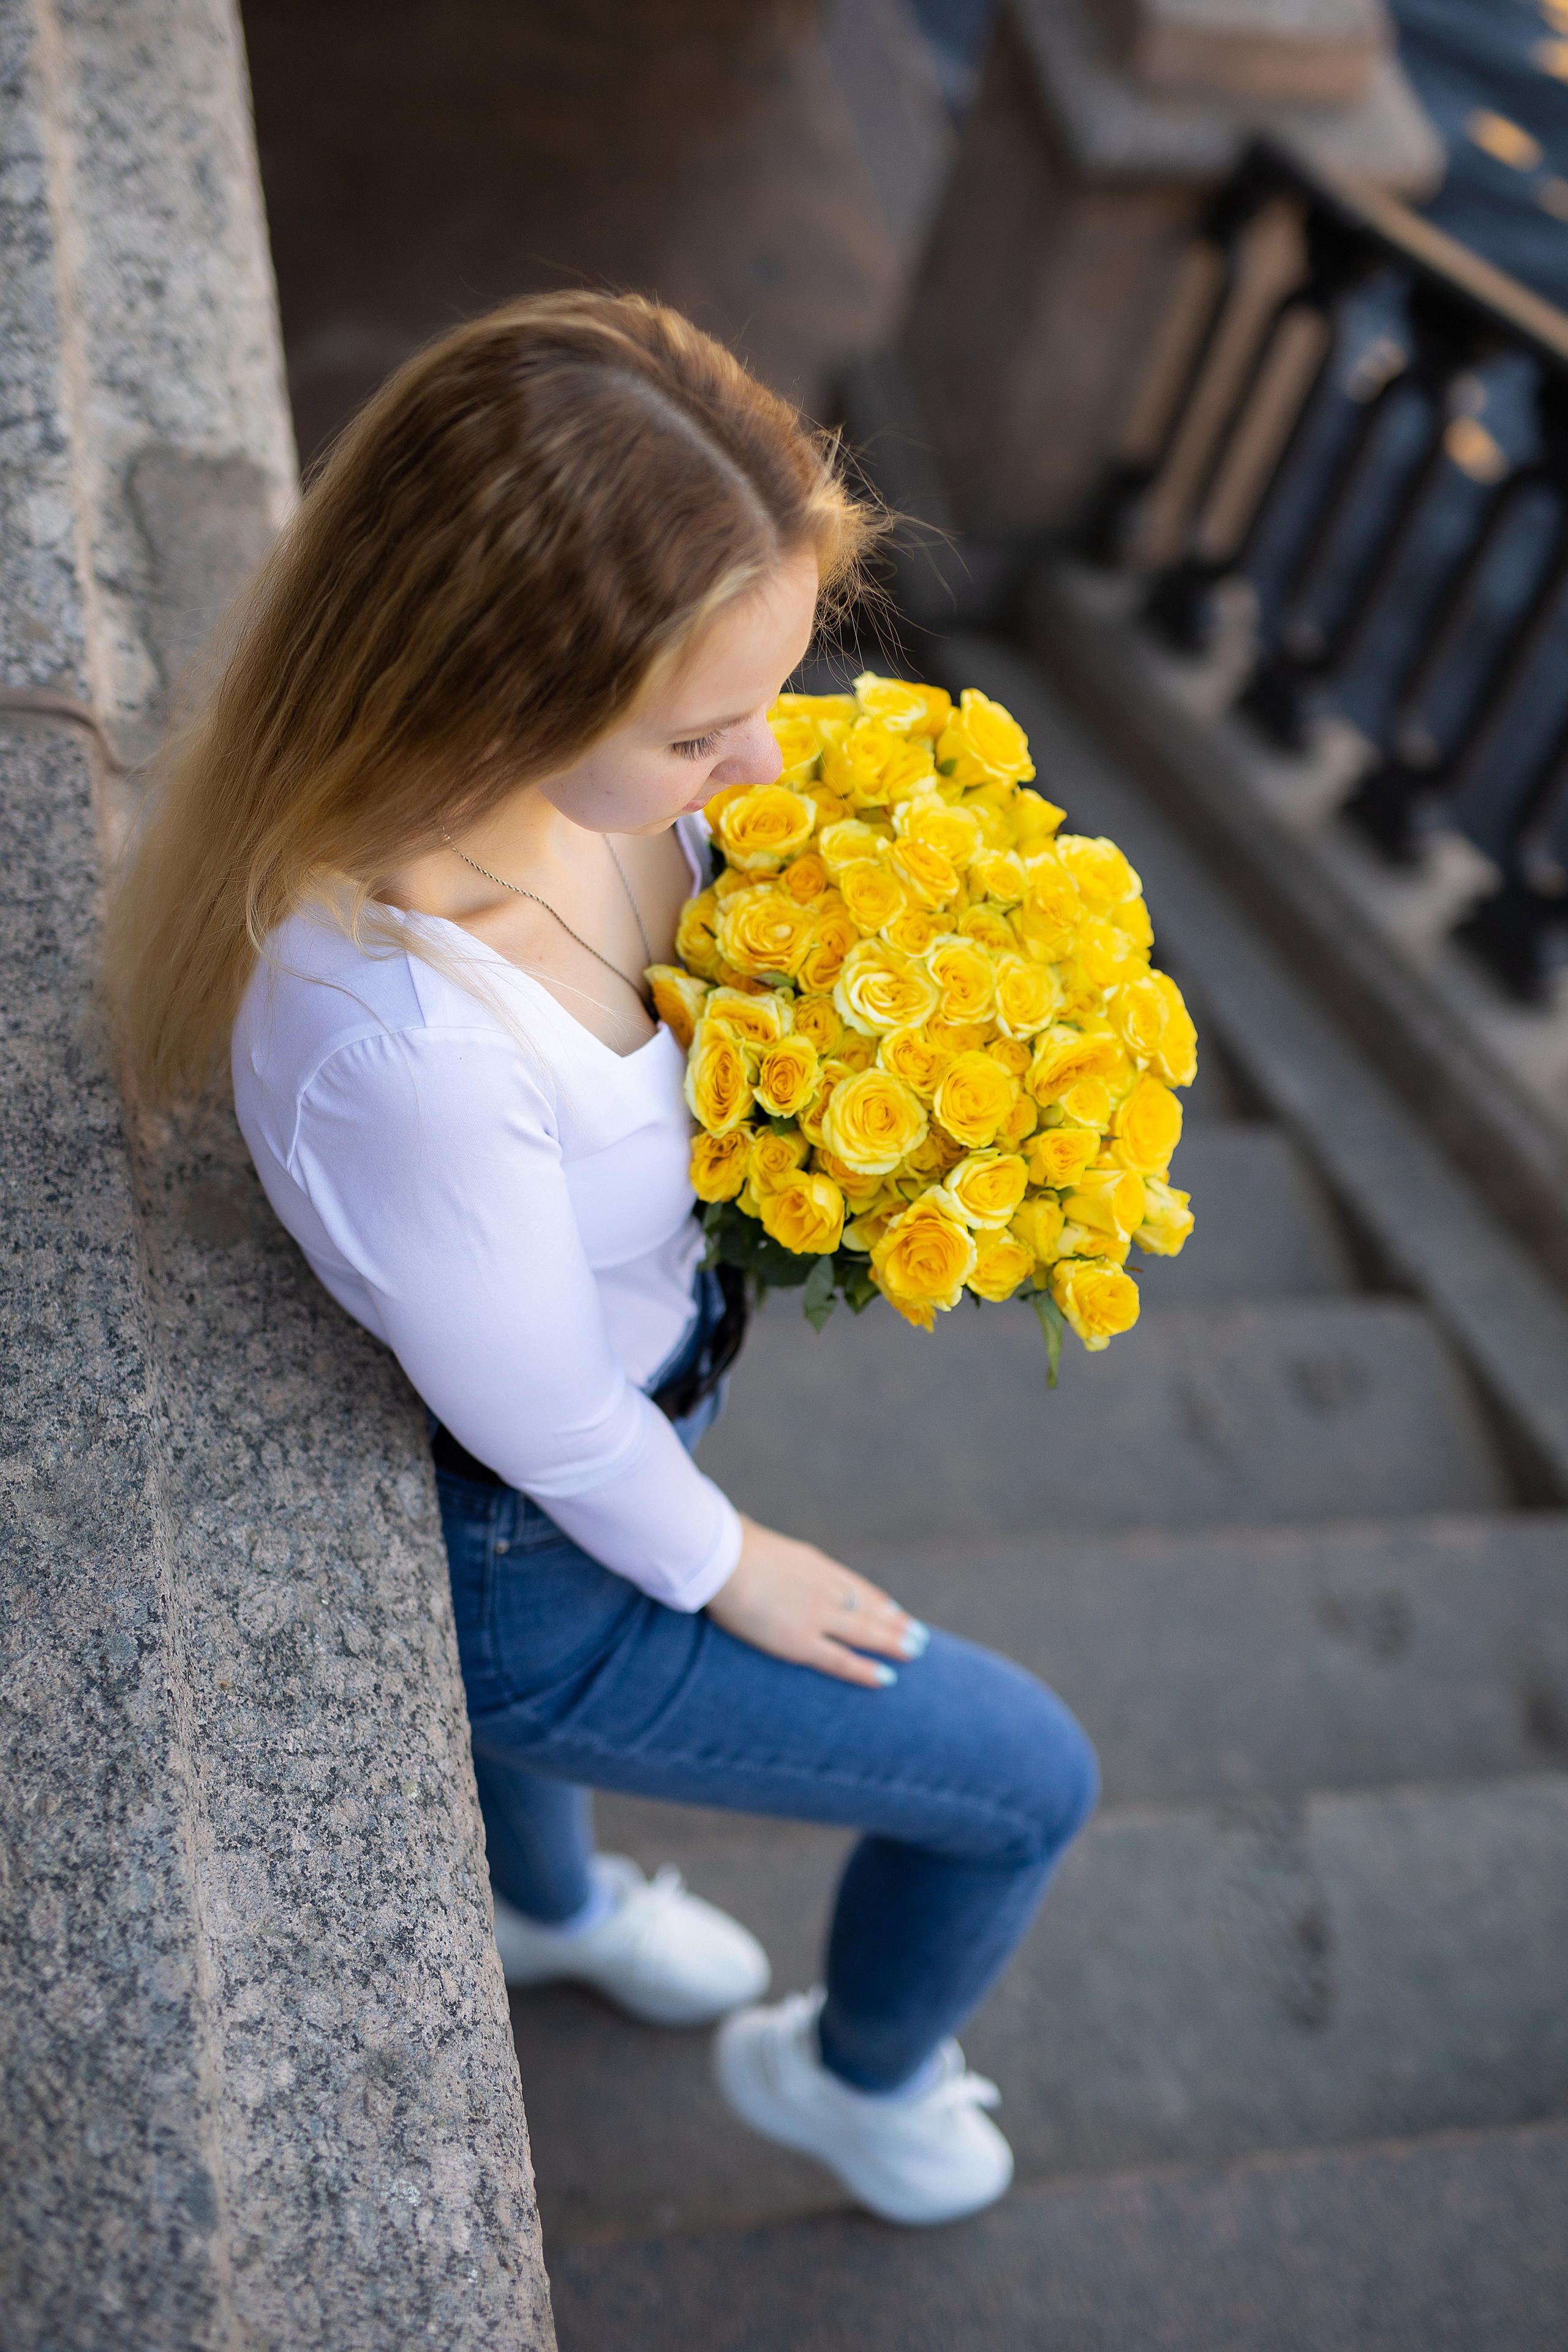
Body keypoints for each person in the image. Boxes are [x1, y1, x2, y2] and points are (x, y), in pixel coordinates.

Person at [105, 293, 1099, 2228]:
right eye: (699, 728)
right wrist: (731, 1564)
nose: (757, 772)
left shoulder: (587, 794)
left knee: (555, 1783)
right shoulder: (403, 1042)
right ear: (497, 692)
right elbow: (544, 1414)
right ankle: (859, 2086)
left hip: (641, 1388)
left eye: (772, 693)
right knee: (1025, 1777)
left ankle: (544, 1910)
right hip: (537, 1551)